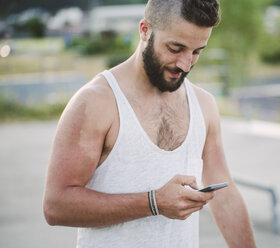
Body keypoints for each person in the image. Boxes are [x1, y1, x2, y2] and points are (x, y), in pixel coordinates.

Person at [43, 0, 256, 247]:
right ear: (145, 30)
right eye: (176, 48)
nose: (185, 64)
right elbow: (56, 205)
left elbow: (225, 197)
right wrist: (153, 202)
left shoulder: (204, 104)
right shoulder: (95, 102)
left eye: (197, 51)